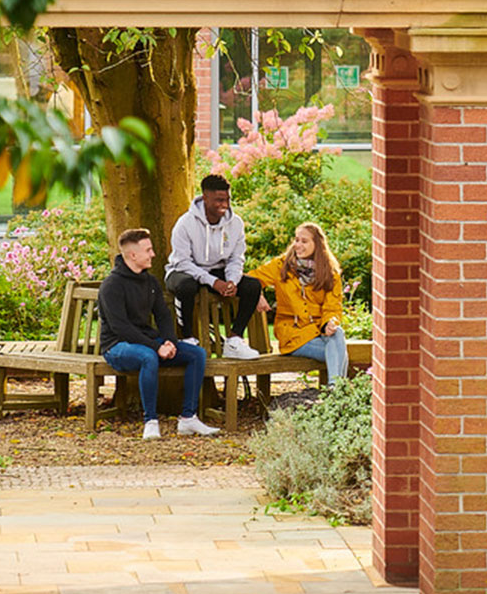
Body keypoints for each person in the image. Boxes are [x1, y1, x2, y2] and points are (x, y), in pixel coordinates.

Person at [99, 228, 219, 440]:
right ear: (133, 255)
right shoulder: (112, 285)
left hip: (147, 343)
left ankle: (188, 419)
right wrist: (157, 347)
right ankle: (150, 421)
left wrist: (170, 342)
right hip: (117, 346)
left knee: (197, 354)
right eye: (148, 250)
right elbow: (121, 328)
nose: (153, 254)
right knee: (149, 357)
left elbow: (163, 316)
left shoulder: (151, 282)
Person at [165, 174, 264, 360]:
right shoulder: (185, 224)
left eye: (227, 199)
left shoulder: (235, 224)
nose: (224, 205)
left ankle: (234, 340)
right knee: (186, 286)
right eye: (219, 200)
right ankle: (187, 339)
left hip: (218, 270)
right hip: (183, 270)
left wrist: (232, 281)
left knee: (252, 286)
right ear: (205, 197)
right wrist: (213, 282)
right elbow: (183, 261)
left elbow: (236, 258)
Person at [248, 221, 349, 384]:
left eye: (304, 241)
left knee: (337, 335)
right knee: (338, 351)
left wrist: (330, 322)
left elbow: (333, 307)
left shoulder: (330, 273)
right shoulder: (281, 266)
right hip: (292, 335)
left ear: (317, 245)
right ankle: (337, 396)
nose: (298, 245)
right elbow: (250, 279)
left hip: (317, 332)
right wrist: (258, 294)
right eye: (296, 240)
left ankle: (335, 392)